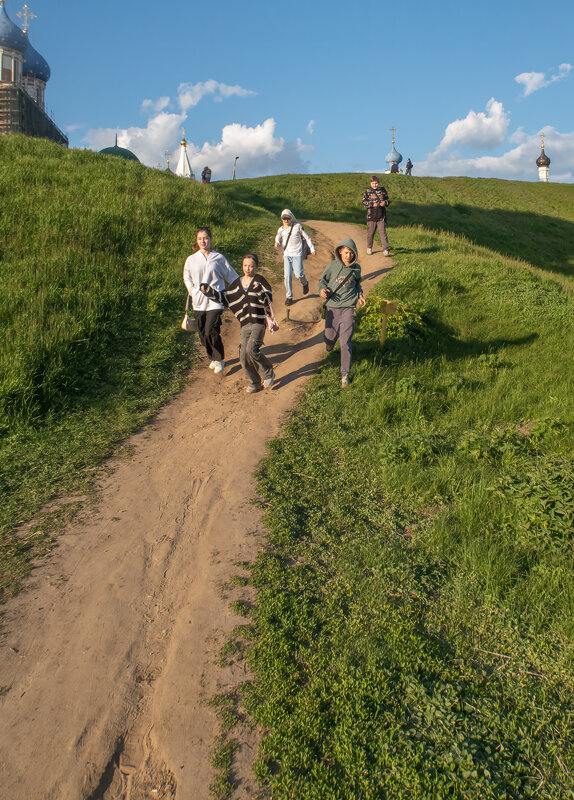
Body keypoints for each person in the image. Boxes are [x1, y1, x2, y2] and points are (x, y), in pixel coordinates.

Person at [200, 254, 276, 393]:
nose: (248, 268)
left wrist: (259, 291)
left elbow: (268, 299)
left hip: (259, 322)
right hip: (245, 324)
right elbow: (225, 298)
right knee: (242, 355)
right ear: (242, 266)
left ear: (256, 267)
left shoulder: (260, 281)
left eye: (251, 266)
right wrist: (208, 291)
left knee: (251, 350)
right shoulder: (236, 284)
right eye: (245, 265)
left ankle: (268, 372)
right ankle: (255, 382)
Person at [183, 227, 239, 373]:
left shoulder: (219, 258)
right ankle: (212, 357)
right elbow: (186, 277)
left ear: (210, 239)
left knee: (210, 330)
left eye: (206, 238)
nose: (203, 241)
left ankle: (219, 358)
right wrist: (193, 291)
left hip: (215, 300)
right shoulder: (191, 259)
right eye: (200, 238)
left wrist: (242, 288)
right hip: (198, 302)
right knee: (202, 333)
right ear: (197, 240)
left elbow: (232, 276)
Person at [318, 238, 366, 387]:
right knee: (329, 338)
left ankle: (345, 375)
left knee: (345, 342)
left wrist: (360, 295)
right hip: (332, 307)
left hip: (348, 308)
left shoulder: (356, 269)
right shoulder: (332, 266)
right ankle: (329, 343)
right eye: (346, 252)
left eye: (351, 253)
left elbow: (358, 284)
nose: (348, 256)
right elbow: (322, 281)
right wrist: (322, 290)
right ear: (340, 251)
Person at [274, 209, 316, 306]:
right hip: (287, 255)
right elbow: (277, 236)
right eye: (284, 218)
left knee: (298, 275)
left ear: (291, 218)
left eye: (288, 218)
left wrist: (312, 249)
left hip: (297, 254)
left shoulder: (298, 227)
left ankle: (304, 283)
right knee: (287, 276)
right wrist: (277, 242)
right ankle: (289, 297)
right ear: (282, 219)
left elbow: (307, 237)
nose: (286, 220)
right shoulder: (281, 229)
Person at [362, 175, 391, 256]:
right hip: (371, 216)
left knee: (383, 233)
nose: (375, 185)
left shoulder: (383, 190)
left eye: (376, 183)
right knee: (370, 234)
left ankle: (385, 250)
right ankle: (369, 248)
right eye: (373, 183)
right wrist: (371, 204)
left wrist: (385, 203)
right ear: (370, 183)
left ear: (378, 183)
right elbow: (363, 203)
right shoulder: (368, 191)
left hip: (381, 216)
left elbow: (388, 200)